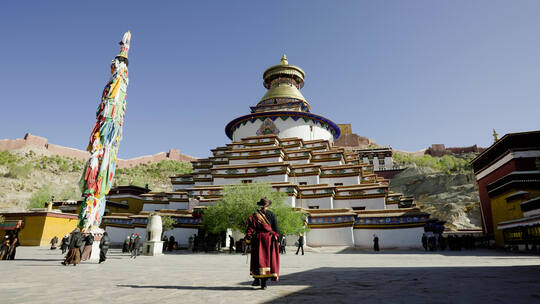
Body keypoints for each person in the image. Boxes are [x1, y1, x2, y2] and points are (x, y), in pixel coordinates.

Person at [245, 197, 280, 290]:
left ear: (260, 205)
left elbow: (250, 228)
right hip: (269, 240)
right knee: (267, 261)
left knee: (257, 260)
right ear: (268, 206)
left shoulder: (254, 216)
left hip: (258, 240)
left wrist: (248, 238)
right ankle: (263, 283)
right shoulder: (272, 215)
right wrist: (277, 240)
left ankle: (257, 279)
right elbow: (276, 229)